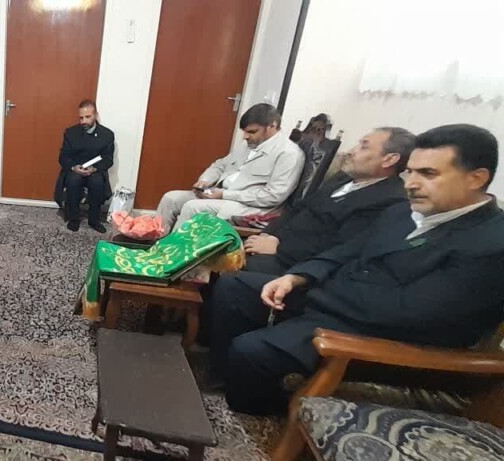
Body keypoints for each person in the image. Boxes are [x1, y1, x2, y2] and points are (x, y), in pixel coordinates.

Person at [208, 124, 504, 416]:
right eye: (411, 172)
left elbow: (411, 313)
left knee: (252, 350)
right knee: (234, 288)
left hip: (390, 341)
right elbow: (346, 251)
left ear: (476, 178)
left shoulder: (491, 244)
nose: (411, 184)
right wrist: (297, 277)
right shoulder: (404, 211)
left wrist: (317, 292)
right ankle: (225, 380)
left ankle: (261, 417)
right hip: (343, 303)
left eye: (428, 174)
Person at [242, 127, 415, 274]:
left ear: (389, 159)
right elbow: (299, 208)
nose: (350, 151)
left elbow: (337, 248)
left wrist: (278, 249)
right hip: (273, 245)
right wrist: (269, 234)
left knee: (233, 270)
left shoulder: (389, 200)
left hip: (298, 267)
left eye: (364, 147)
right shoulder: (343, 178)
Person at [156, 103, 304, 232]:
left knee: (192, 207)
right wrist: (205, 181)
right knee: (170, 198)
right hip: (220, 195)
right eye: (244, 131)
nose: (245, 136)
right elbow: (220, 165)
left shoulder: (288, 153)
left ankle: (172, 252)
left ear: (272, 126)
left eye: (252, 132)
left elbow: (273, 196)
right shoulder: (250, 144)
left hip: (250, 207)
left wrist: (224, 195)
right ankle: (154, 242)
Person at [53, 99, 115, 233]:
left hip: (95, 169)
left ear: (96, 115)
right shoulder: (71, 132)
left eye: (88, 117)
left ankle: (94, 220)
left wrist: (95, 168)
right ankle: (74, 219)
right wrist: (74, 167)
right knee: (73, 180)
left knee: (97, 182)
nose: (83, 121)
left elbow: (108, 159)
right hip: (76, 168)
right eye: (81, 118)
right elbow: (63, 156)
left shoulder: (107, 135)